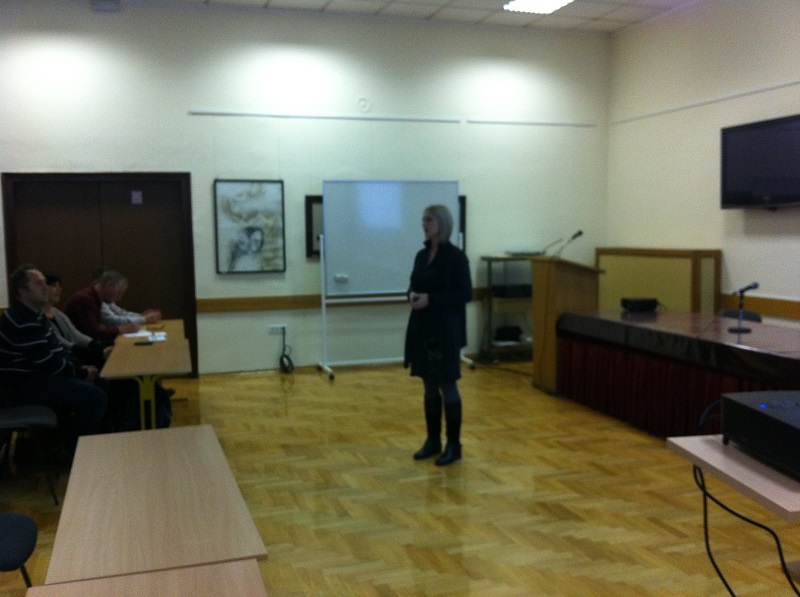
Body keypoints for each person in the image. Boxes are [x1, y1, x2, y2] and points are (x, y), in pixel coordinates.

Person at [0, 265, 107, 456]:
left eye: (45, 282)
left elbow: (59, 350)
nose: (46, 287)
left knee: (102, 381)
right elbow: (47, 362)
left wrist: (79, 368)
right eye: (38, 283)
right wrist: (81, 372)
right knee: (95, 397)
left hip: (39, 376)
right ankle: (76, 454)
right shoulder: (21, 320)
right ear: (22, 291)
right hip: (21, 384)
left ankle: (94, 442)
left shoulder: (37, 315)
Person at [404, 205, 472, 466]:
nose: (424, 224)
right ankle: (433, 441)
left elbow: (465, 294)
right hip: (423, 328)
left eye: (429, 219)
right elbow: (414, 284)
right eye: (423, 219)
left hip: (445, 330)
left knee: (447, 383)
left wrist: (430, 299)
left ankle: (454, 445)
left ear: (441, 223)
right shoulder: (421, 255)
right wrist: (411, 295)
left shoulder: (456, 257)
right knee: (429, 383)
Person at [62, 269, 140, 343]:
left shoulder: (93, 297)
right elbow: (94, 333)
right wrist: (120, 330)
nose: (119, 298)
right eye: (119, 293)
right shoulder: (85, 299)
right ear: (110, 285)